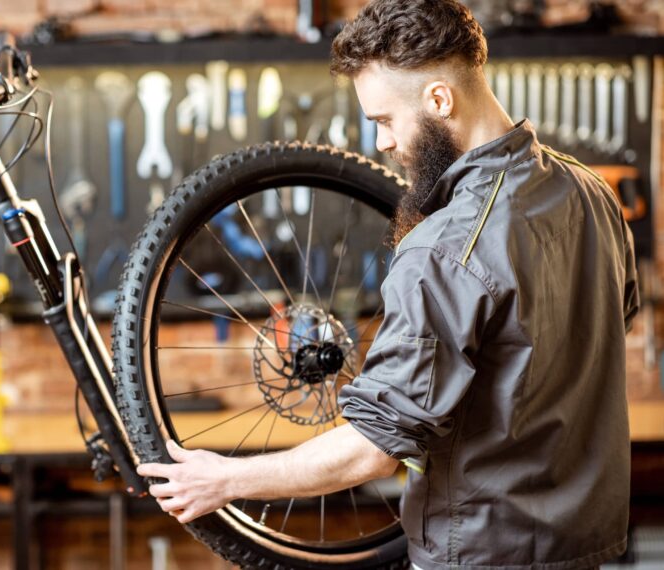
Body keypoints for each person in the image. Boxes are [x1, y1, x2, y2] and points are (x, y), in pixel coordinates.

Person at [137, 1, 640, 567]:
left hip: (482, 553)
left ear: (439, 100)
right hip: (587, 548)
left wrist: (225, 478)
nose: (380, 143)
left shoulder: (447, 247)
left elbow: (372, 452)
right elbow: (599, 337)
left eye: (383, 121)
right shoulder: (593, 194)